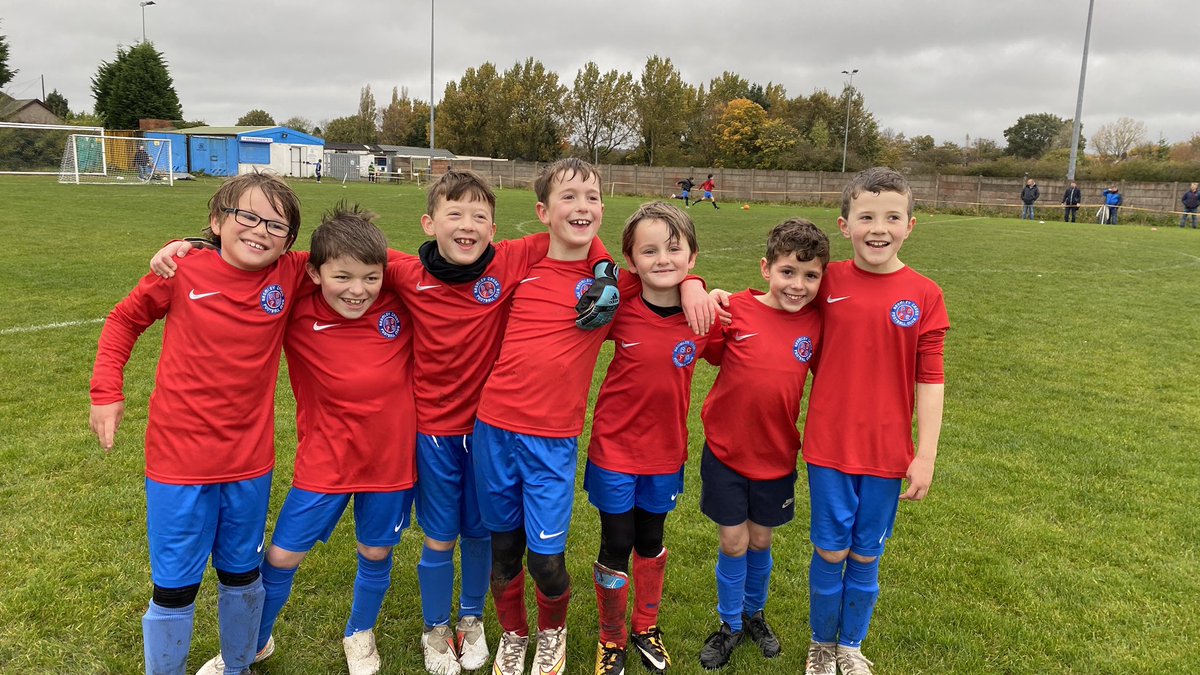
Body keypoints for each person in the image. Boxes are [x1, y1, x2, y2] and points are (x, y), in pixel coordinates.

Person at [384, 169, 615, 675]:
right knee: (490, 543)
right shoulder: (508, 260)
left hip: (543, 439)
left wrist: (680, 283)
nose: (581, 206)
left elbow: (661, 276)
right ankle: (493, 631)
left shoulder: (585, 278)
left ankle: (541, 630)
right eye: (569, 196)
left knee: (539, 557)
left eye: (592, 197)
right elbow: (361, 257)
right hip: (479, 429)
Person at [89, 173, 307, 675]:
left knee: (241, 576)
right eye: (247, 216)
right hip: (178, 464)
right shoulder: (181, 270)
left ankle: (238, 665)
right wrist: (106, 391)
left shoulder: (291, 273)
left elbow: (355, 257)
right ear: (216, 221)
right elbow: (123, 321)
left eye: (276, 225)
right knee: (175, 588)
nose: (260, 230)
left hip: (249, 464)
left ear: (289, 242)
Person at [195, 204, 417, 675]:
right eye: (342, 277)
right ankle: (255, 642)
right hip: (326, 458)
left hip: (390, 460)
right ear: (315, 273)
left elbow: (426, 267)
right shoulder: (293, 307)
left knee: (376, 550)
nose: (357, 290)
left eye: (370, 278)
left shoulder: (397, 300)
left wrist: (384, 262)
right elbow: (249, 266)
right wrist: (190, 246)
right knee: (280, 557)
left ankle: (360, 632)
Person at [801, 167, 949, 675]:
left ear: (910, 225)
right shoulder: (826, 282)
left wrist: (925, 455)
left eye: (892, 217)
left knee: (865, 556)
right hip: (829, 444)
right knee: (830, 551)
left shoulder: (925, 294)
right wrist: (706, 292)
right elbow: (775, 303)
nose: (878, 228)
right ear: (845, 226)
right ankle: (822, 644)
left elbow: (931, 379)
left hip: (888, 452)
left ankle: (850, 646)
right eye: (866, 217)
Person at [695, 218, 827, 671]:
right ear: (766, 268)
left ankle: (754, 613)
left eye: (810, 275)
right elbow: (704, 344)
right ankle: (729, 623)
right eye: (787, 271)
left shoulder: (817, 323)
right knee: (734, 542)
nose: (797, 285)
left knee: (760, 539)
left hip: (776, 455)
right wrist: (704, 293)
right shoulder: (735, 310)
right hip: (726, 451)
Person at [586, 201, 713, 675]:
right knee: (616, 539)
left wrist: (697, 287)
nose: (663, 259)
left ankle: (645, 626)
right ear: (631, 260)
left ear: (692, 256)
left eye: (674, 250)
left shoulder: (704, 317)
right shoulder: (619, 307)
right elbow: (590, 284)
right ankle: (611, 636)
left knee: (650, 538)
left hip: (665, 453)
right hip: (614, 449)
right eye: (650, 251)